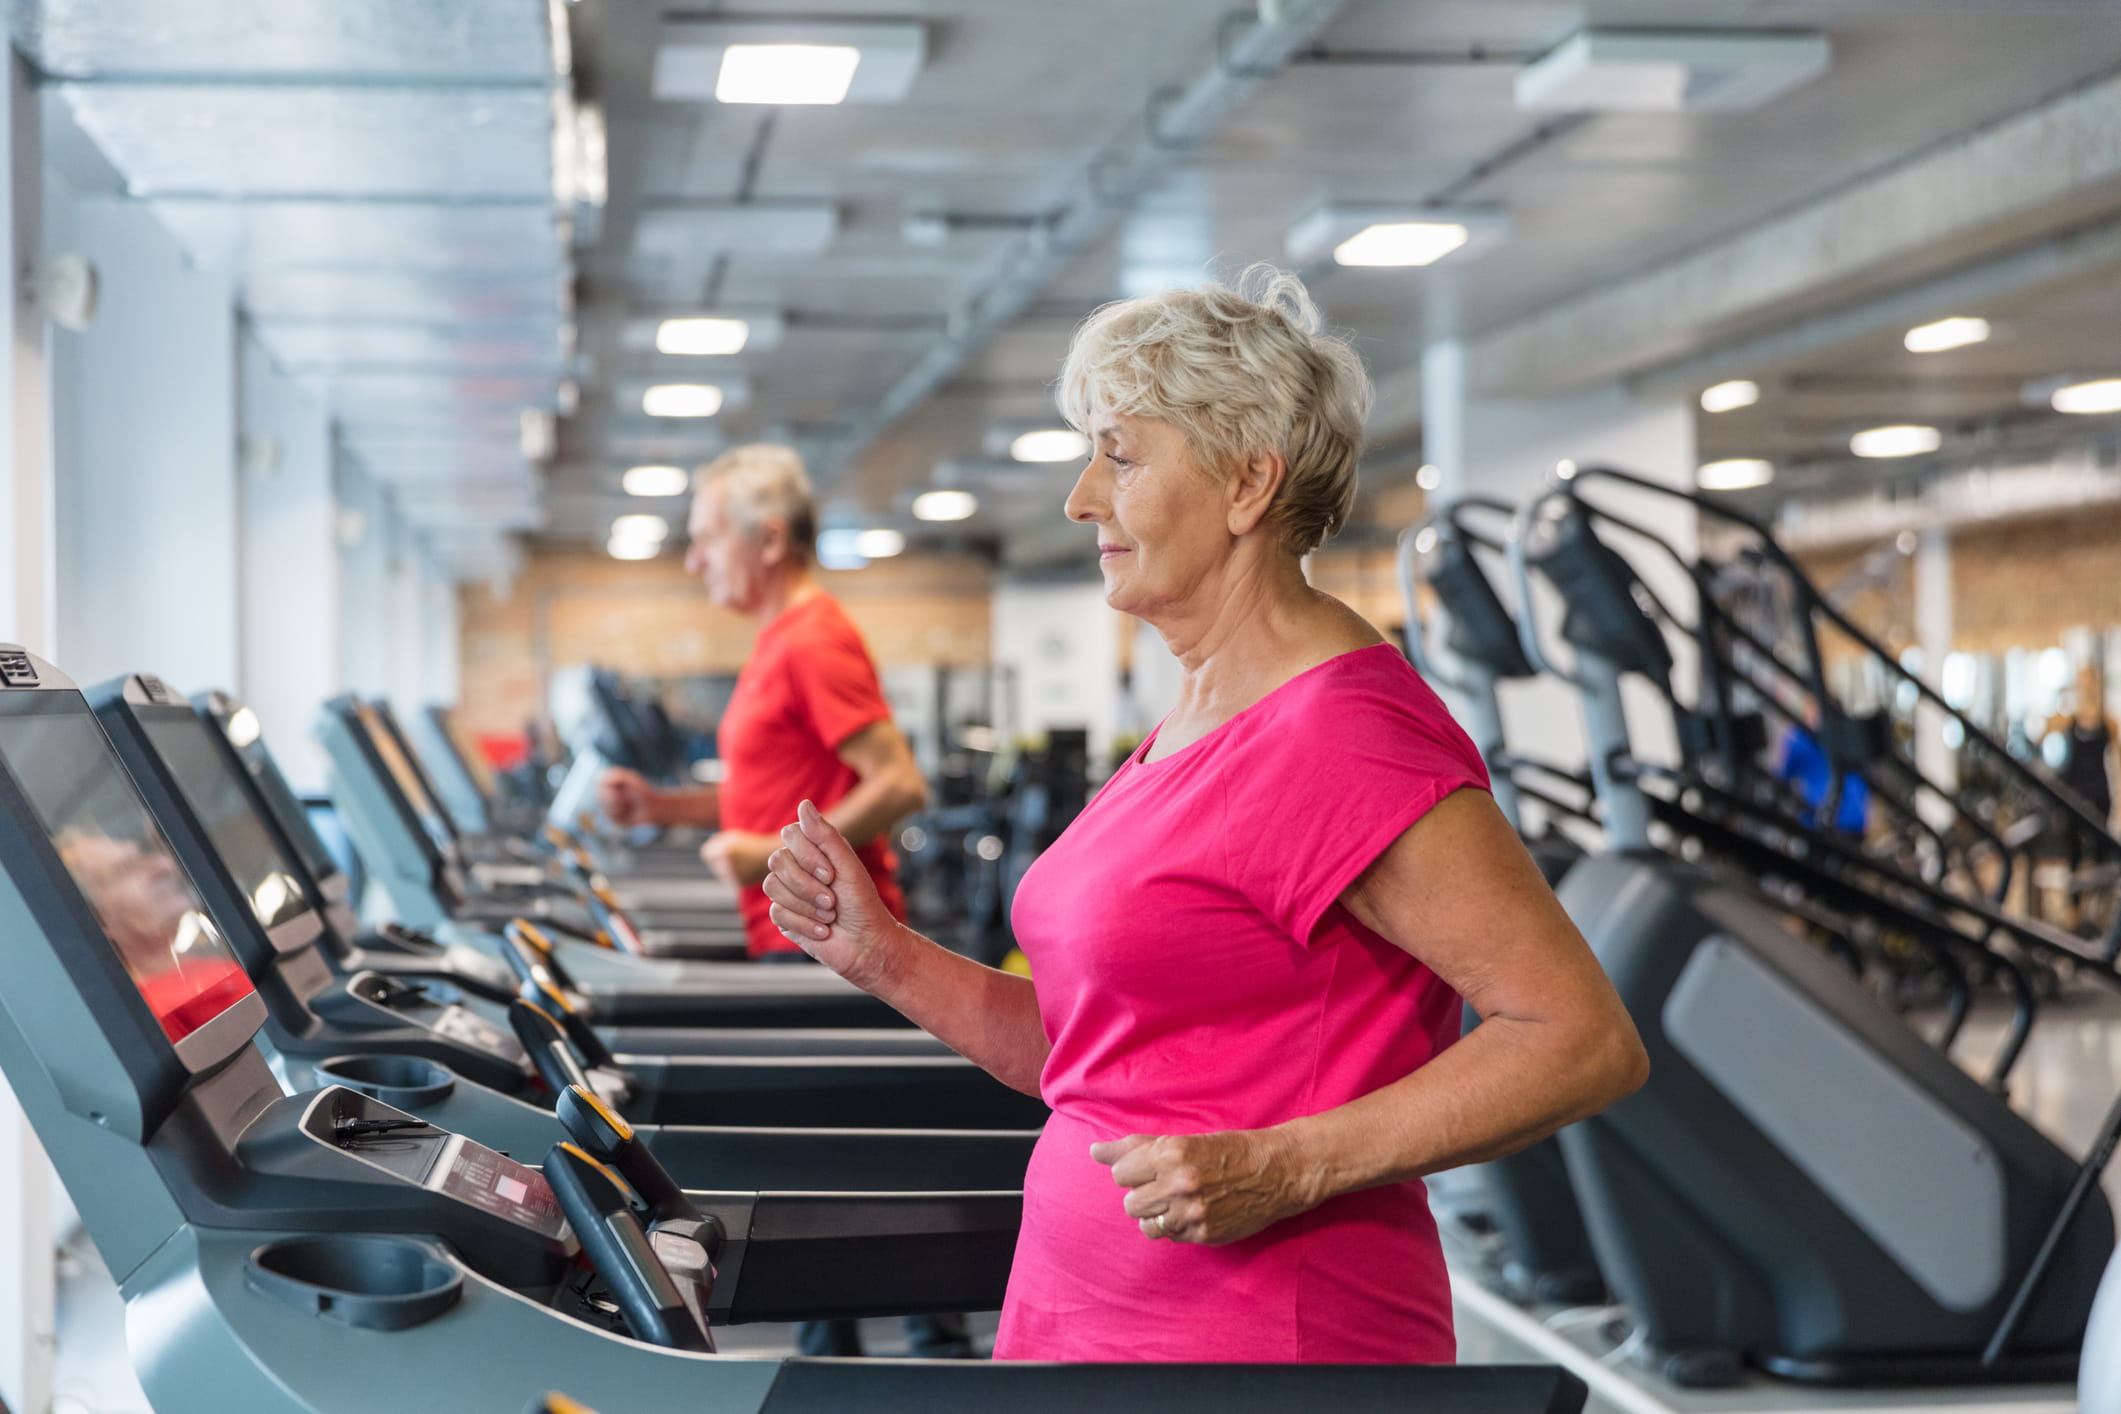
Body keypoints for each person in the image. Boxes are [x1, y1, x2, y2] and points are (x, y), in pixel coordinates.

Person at [763, 267, 1649, 1364]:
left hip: (1263, 1346)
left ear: (1247, 486)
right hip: (1088, 1326)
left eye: (1121, 455)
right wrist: (885, 957)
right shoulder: (1194, 713)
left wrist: (1283, 1165)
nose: (1082, 497)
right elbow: (1100, 1058)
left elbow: (1579, 1037)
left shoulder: (1345, 736)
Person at [594, 443, 957, 1358]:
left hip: (832, 945)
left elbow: (898, 781)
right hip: (791, 937)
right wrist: (667, 808)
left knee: (861, 1174)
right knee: (825, 1186)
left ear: (766, 539)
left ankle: (936, 1352)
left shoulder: (813, 636)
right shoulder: (773, 643)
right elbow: (769, 792)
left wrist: (776, 851)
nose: (692, 559)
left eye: (704, 537)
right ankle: (837, 1363)